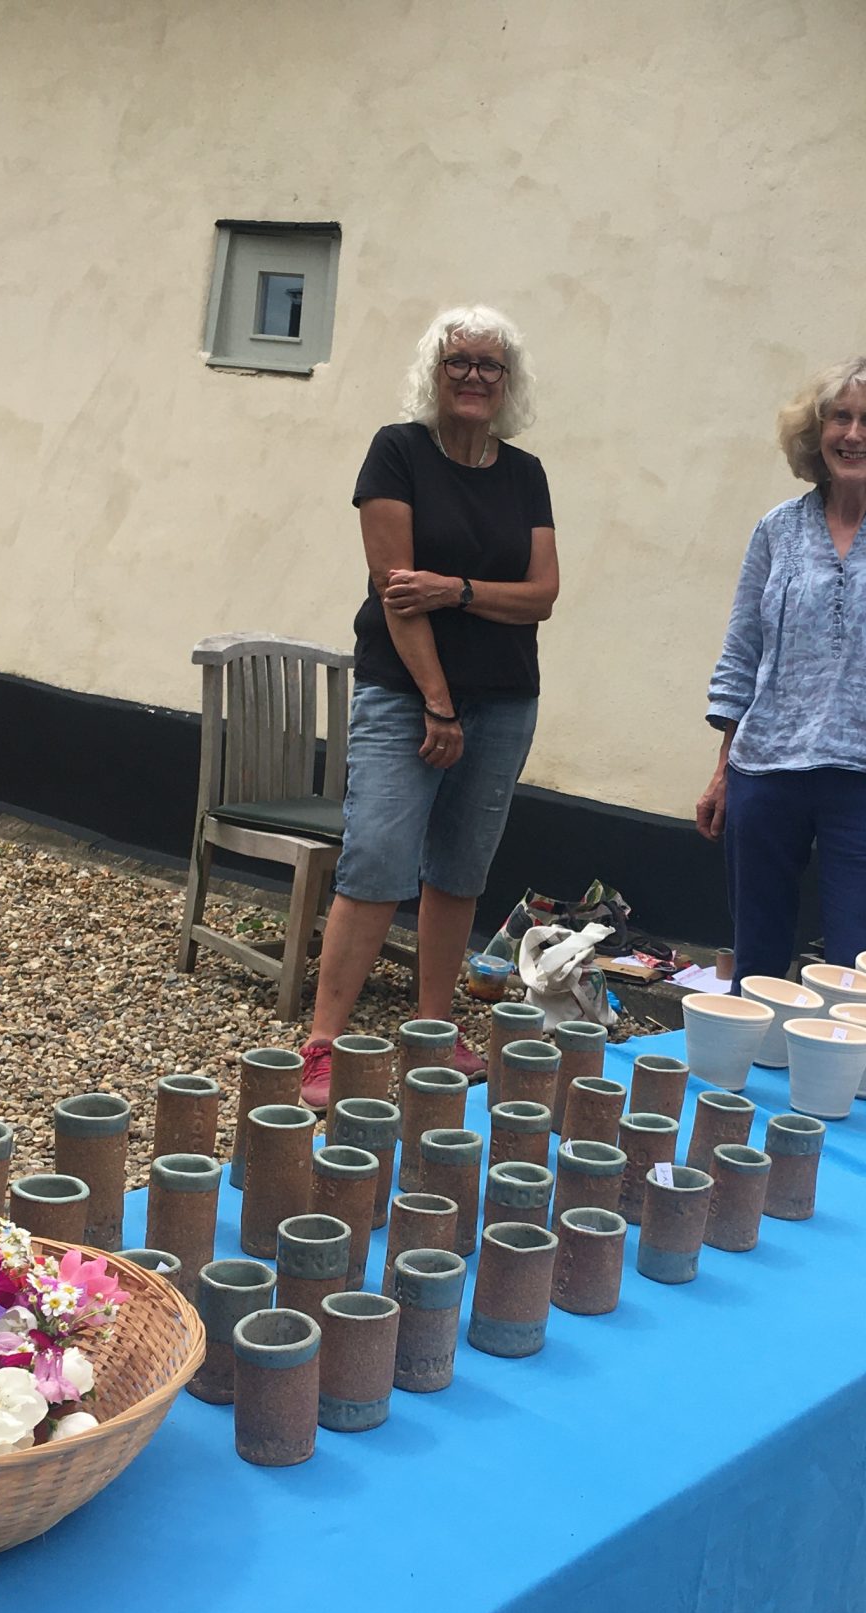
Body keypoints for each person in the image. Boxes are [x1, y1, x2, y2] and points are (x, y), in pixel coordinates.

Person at [299, 306, 560, 1108]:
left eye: (490, 365)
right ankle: (324, 1043)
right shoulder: (398, 452)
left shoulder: (525, 474)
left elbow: (543, 596)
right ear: (434, 372)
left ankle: (432, 1029)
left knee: (458, 871)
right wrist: (438, 704)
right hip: (406, 697)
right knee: (375, 861)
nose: (474, 377)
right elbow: (394, 592)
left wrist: (458, 590)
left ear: (507, 381)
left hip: (507, 700)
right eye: (459, 363)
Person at [696, 356, 866, 983]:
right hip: (767, 769)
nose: (853, 434)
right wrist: (722, 773)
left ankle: (836, 1080)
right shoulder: (777, 530)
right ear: (815, 434)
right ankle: (746, 1078)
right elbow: (742, 653)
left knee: (857, 963)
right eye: (839, 418)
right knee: (756, 957)